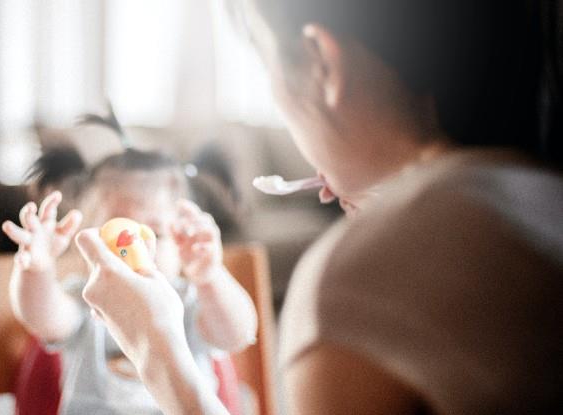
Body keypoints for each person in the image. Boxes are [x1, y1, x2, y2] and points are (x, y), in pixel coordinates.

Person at [73, 0, 563, 413]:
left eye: (265, 62)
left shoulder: (353, 276)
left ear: (322, 62)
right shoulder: (544, 195)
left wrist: (159, 351)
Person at [1, 141, 258, 414]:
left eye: (155, 234)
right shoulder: (87, 297)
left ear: (180, 240)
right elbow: (41, 317)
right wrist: (37, 268)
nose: (135, 249)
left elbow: (237, 335)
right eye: (115, 235)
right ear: (85, 240)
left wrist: (210, 276)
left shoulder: (188, 300)